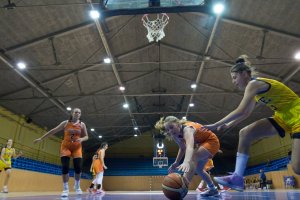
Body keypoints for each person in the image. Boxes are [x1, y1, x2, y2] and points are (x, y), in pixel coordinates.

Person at [202, 55, 300, 191]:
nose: (233, 82)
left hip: (298, 115)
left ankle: (236, 177)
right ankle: (237, 178)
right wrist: (229, 125)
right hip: (283, 117)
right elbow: (246, 113)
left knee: (297, 168)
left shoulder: (254, 84)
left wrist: (214, 125)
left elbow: (240, 110)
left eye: (234, 77)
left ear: (244, 74)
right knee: (245, 133)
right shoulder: (254, 89)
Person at [155, 116, 220, 197]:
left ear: (178, 124)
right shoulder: (175, 135)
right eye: (168, 129)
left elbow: (189, 146)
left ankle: (183, 185)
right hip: (201, 144)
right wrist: (176, 162)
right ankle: (213, 189)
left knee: (193, 157)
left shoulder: (187, 129)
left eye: (171, 127)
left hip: (211, 141)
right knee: (199, 169)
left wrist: (186, 162)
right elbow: (182, 148)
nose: (170, 131)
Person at [33, 108, 88, 197]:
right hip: (66, 147)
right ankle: (65, 189)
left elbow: (86, 136)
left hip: (77, 148)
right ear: (72, 113)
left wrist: (82, 139)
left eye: (79, 112)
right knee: (65, 167)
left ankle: (77, 186)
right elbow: (53, 130)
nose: (77, 113)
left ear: (80, 114)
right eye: (76, 112)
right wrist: (41, 138)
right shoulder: (65, 123)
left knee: (78, 167)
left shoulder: (82, 124)